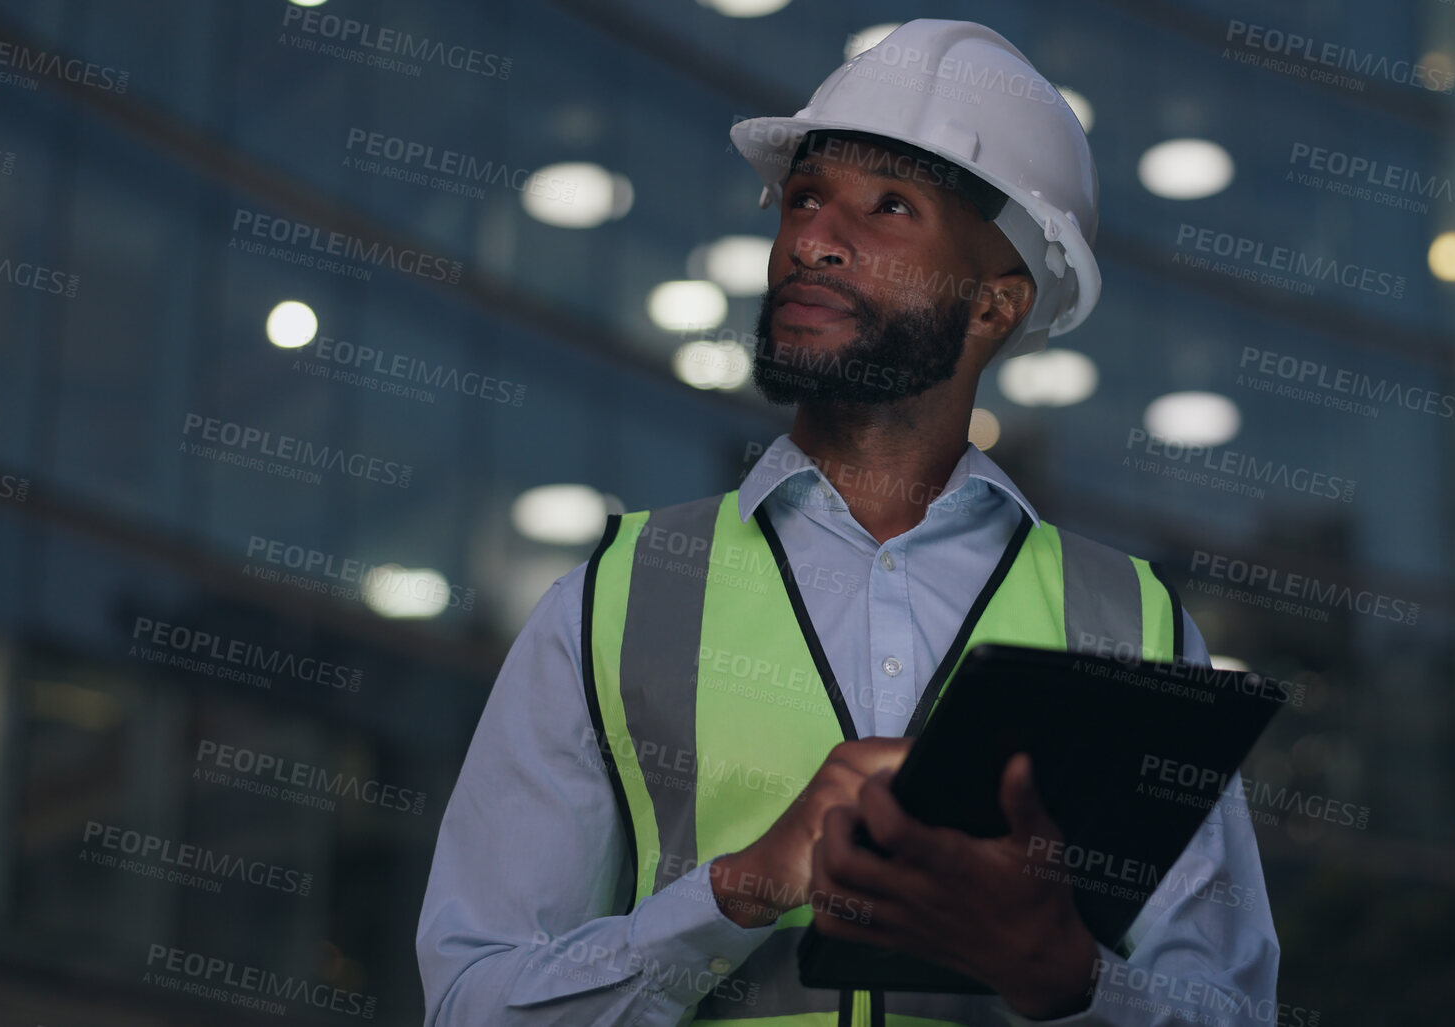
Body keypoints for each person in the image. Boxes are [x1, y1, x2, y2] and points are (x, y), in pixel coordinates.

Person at [418, 19, 1279, 1027]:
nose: (814, 239)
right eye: (806, 197)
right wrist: (734, 893)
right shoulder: (615, 598)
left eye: (890, 208)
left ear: (995, 306)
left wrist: (1069, 980)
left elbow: (1227, 1011)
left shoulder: (1133, 624)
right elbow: (474, 1005)